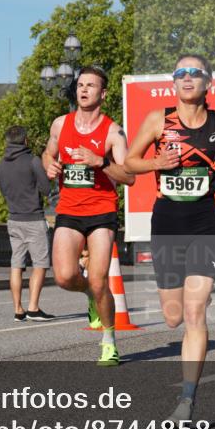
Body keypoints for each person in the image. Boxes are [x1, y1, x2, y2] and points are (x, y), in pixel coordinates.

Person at [124, 53, 215, 423]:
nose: (187, 78)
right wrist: (158, 164)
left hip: (206, 223)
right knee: (173, 316)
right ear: (173, 82)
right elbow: (130, 161)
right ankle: (186, 397)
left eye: (195, 73)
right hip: (167, 223)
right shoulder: (159, 120)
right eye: (181, 73)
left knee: (195, 312)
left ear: (208, 81)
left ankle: (186, 402)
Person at [42, 65, 135, 367]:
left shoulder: (113, 131)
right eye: (80, 84)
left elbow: (129, 177)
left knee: (98, 280)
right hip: (68, 209)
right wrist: (49, 165)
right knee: (65, 277)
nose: (83, 90)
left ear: (102, 93)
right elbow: (48, 153)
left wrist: (101, 161)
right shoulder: (60, 124)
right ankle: (91, 297)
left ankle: (109, 340)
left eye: (90, 85)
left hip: (101, 212)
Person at [0, 125, 55, 322]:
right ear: (25, 141)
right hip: (34, 219)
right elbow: (47, 189)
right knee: (40, 264)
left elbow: (4, 191)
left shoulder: (1, 165)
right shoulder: (32, 161)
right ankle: (33, 307)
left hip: (13, 219)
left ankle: (18, 309)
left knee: (16, 264)